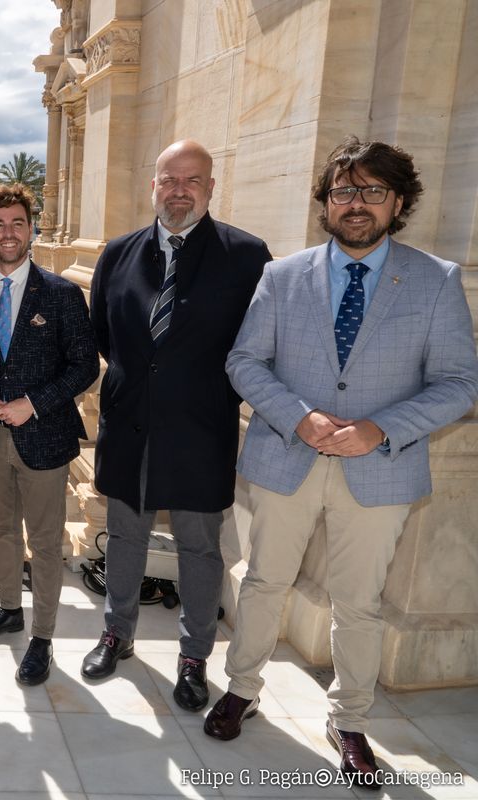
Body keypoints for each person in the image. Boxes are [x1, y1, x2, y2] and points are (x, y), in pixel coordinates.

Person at [205, 138, 478, 788]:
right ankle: (242, 688)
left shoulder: (436, 280)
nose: (355, 204)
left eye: (371, 191)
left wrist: (380, 428)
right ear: (326, 201)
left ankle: (349, 720)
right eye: (343, 191)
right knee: (264, 582)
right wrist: (300, 415)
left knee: (360, 604)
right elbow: (245, 362)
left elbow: (460, 382)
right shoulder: (282, 276)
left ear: (399, 201)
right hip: (287, 456)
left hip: (381, 468)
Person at [82, 141, 270, 711]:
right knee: (124, 536)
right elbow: (104, 336)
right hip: (130, 423)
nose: (180, 190)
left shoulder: (246, 256)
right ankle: (117, 633)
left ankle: (194, 656)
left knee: (199, 547)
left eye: (193, 180)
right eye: (170, 180)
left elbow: (257, 345)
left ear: (211, 188)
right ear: (154, 186)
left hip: (200, 429)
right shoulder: (118, 254)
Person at [0, 183, 100, 685]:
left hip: (45, 440)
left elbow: (85, 367)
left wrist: (32, 404)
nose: (8, 232)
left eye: (17, 222)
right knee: (0, 531)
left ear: (31, 228)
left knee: (43, 541)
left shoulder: (60, 294)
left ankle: (42, 638)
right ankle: (8, 610)